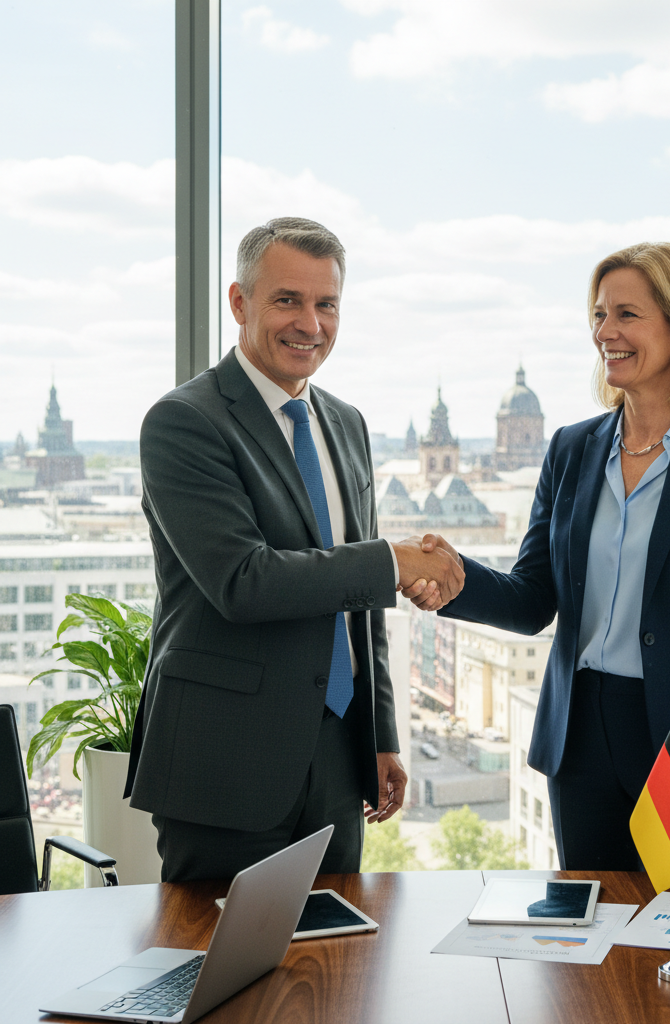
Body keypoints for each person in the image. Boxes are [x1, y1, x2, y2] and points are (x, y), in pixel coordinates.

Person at [407, 242, 670, 872]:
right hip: (581, 736)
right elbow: (533, 598)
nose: (604, 332)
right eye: (597, 315)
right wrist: (452, 578)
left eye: (625, 315)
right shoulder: (572, 449)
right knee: (590, 941)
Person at [124, 217, 464, 882]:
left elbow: (359, 605)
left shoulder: (346, 422)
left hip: (338, 759)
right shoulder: (183, 422)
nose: (309, 323)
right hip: (226, 763)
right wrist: (397, 563)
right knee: (217, 972)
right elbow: (244, 581)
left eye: (326, 304)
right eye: (287, 300)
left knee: (332, 972)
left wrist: (381, 734)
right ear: (239, 302)